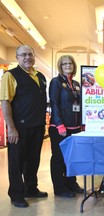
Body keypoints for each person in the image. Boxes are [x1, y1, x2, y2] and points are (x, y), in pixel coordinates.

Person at [0, 45, 48, 208]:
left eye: (30, 54)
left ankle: (31, 188)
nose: (27, 57)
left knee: (33, 160)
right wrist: (11, 128)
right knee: (17, 162)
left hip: (37, 126)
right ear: (17, 57)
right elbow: (5, 102)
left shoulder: (40, 76)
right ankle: (16, 194)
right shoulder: (10, 75)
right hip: (19, 128)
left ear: (34, 56)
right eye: (23, 55)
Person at [49, 55, 84, 197]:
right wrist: (60, 124)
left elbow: (80, 106)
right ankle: (60, 188)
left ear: (74, 65)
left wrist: (82, 124)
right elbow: (54, 103)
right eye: (64, 64)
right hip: (60, 128)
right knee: (58, 158)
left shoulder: (76, 84)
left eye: (70, 63)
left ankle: (71, 182)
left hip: (74, 128)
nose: (68, 65)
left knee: (71, 157)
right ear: (60, 66)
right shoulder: (56, 82)